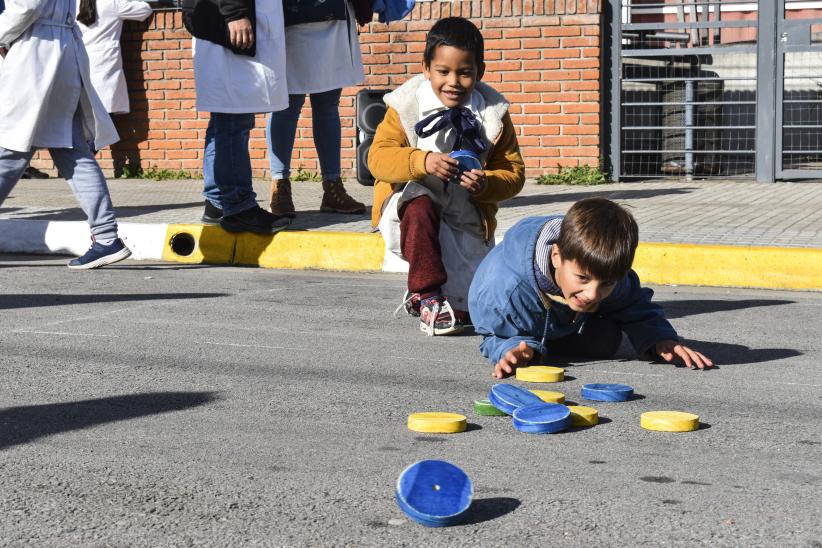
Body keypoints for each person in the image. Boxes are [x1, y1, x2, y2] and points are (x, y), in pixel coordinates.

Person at [368, 17, 525, 336]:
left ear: (479, 71)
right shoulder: (406, 107)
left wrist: (486, 183)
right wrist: (421, 161)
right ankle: (426, 294)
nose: (453, 81)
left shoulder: (493, 115)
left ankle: (430, 297)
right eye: (443, 71)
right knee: (419, 204)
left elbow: (514, 173)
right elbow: (378, 158)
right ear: (426, 68)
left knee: (471, 311)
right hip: (412, 207)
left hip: (466, 214)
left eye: (464, 72)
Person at [468, 198, 714, 379]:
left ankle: (546, 342)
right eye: (583, 279)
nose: (593, 294)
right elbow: (490, 335)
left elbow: (635, 304)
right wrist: (507, 349)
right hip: (518, 320)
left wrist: (660, 338)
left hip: (565, 322)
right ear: (556, 256)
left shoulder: (602, 270)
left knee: (604, 342)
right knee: (526, 351)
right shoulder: (502, 293)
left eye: (606, 283)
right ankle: (531, 345)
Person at [0, 0, 131, 269]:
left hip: (35, 53)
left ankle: (107, 238)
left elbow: (27, 6)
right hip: (61, 50)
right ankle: (107, 237)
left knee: (9, 150)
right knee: (73, 151)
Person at [192, 0, 292, 233]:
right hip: (228, 23)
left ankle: (217, 202)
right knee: (233, 120)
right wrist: (234, 13)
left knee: (224, 120)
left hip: (225, 23)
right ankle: (239, 207)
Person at [265, 0, 366, 218]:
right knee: (285, 107)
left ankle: (332, 186)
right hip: (289, 19)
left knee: (328, 107)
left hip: (334, 16)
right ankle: (279, 185)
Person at [77, 0, 152, 115]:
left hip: (81, 64)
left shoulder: (74, 5)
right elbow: (145, 10)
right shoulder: (112, 3)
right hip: (105, 66)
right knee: (106, 120)